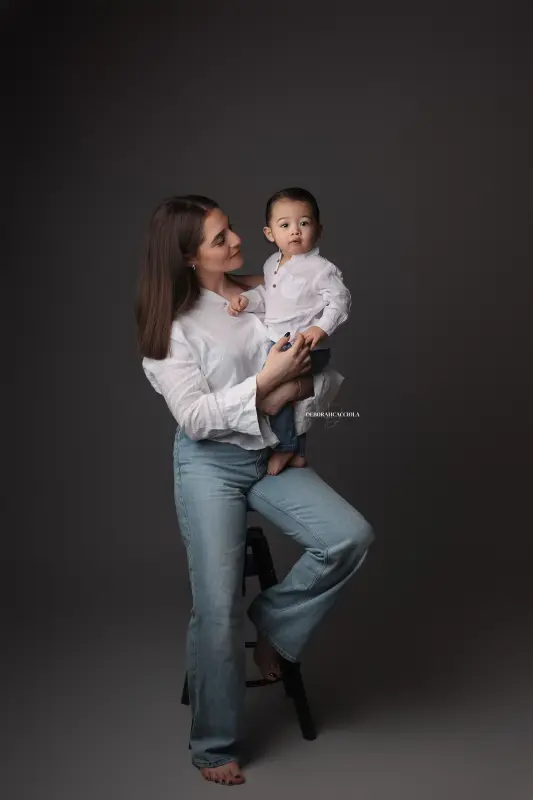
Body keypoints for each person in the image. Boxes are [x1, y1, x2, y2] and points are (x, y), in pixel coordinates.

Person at [136, 195, 374, 787]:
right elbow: (195, 418)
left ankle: (274, 626)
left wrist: (294, 391)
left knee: (348, 537)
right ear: (188, 257)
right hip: (209, 467)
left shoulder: (265, 290)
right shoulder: (171, 326)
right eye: (220, 238)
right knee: (216, 607)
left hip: (269, 455)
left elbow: (318, 366)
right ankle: (213, 744)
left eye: (231, 229)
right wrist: (267, 385)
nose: (238, 240)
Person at [227, 187, 351, 476]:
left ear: (318, 230)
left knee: (274, 393)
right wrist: (247, 301)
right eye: (285, 225)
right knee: (284, 398)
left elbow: (341, 300)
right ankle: (297, 452)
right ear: (270, 233)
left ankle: (285, 447)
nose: (295, 231)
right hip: (279, 342)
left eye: (304, 223)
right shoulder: (272, 264)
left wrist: (321, 327)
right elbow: (269, 297)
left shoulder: (321, 269)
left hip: (305, 346)